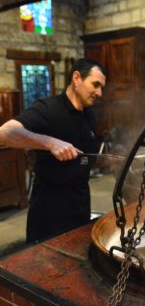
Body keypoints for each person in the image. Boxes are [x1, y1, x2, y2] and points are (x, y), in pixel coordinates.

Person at [0, 58, 107, 243]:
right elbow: (6, 133)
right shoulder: (49, 109)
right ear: (76, 78)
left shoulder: (89, 114)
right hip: (50, 212)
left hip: (81, 206)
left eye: (102, 87)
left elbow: (84, 156)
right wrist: (50, 142)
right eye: (95, 84)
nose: (100, 93)